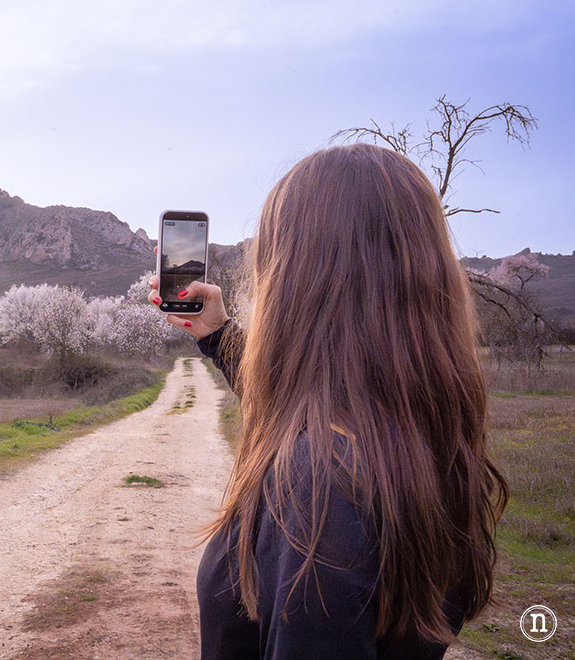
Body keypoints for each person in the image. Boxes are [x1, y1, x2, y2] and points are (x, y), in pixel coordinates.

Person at [148, 143, 509, 659]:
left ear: (297, 285)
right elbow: (303, 398)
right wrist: (217, 335)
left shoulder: (320, 487)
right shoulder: (416, 439)